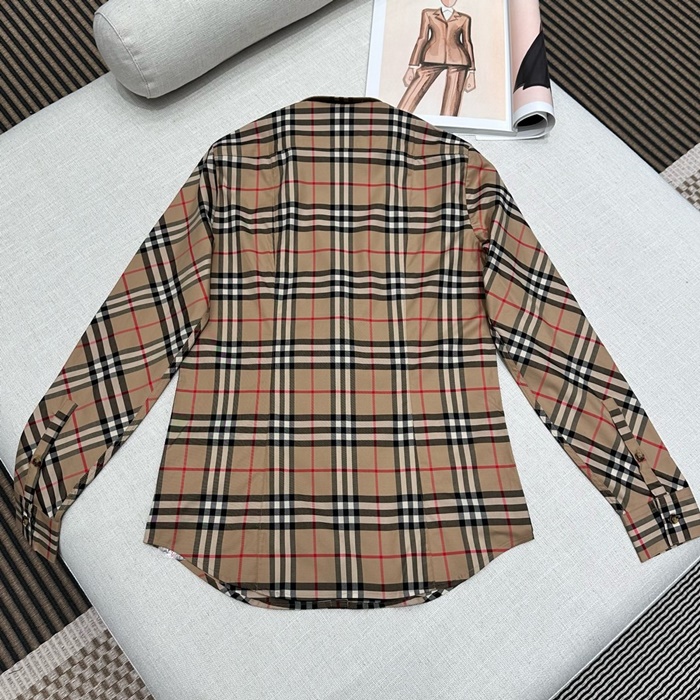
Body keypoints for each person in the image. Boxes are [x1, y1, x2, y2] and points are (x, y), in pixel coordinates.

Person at [398, 0, 476, 116]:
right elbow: (422, 39)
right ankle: (398, 115)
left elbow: (467, 43)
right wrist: (412, 66)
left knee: (452, 100)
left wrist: (472, 72)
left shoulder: (464, 18)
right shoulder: (428, 14)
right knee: (414, 90)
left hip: (459, 61)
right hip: (431, 58)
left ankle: (447, 124)